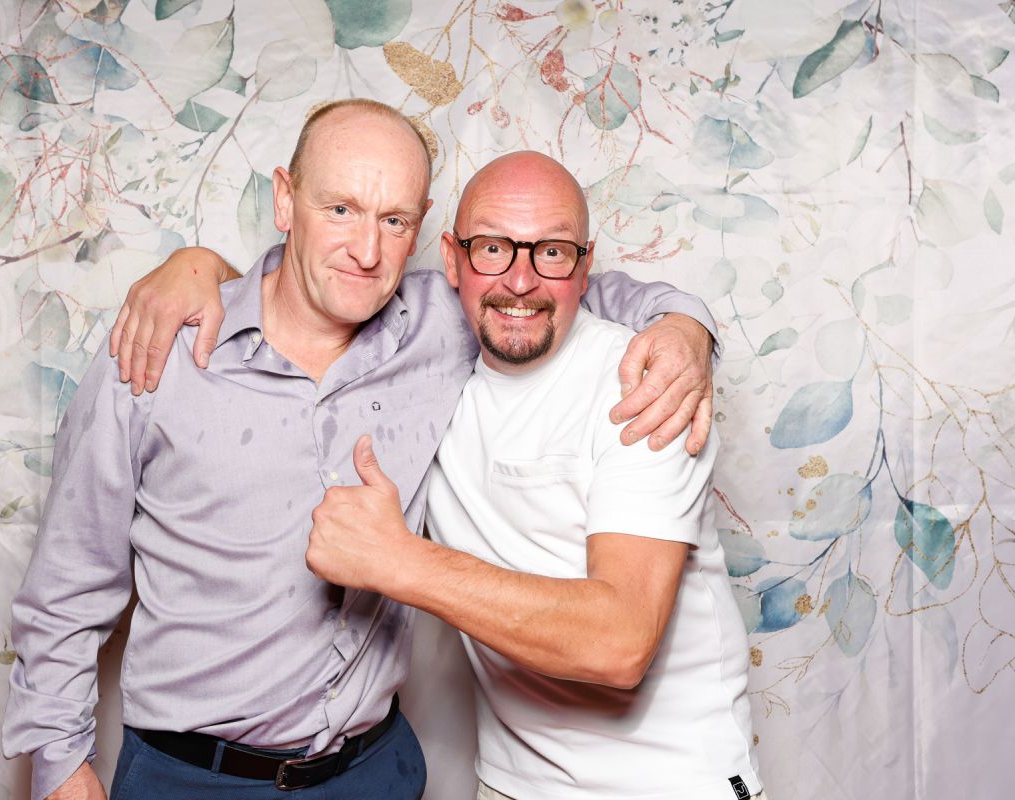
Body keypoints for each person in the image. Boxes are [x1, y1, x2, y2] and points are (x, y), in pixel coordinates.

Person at [3, 99, 718, 800]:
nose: (367, 251)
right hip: (191, 779)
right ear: (285, 201)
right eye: (340, 209)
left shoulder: (443, 325)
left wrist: (685, 326)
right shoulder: (158, 352)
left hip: (375, 772)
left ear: (424, 232)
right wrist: (59, 765)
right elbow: (70, 581)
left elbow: (550, 292)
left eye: (394, 220)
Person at [305, 152, 764, 799]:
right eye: (493, 248)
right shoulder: (426, 369)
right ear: (453, 258)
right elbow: (300, 291)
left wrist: (397, 561)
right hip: (508, 785)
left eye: (551, 252)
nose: (520, 281)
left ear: (583, 265)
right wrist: (194, 272)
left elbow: (620, 642)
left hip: (670, 783)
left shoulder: (643, 383)